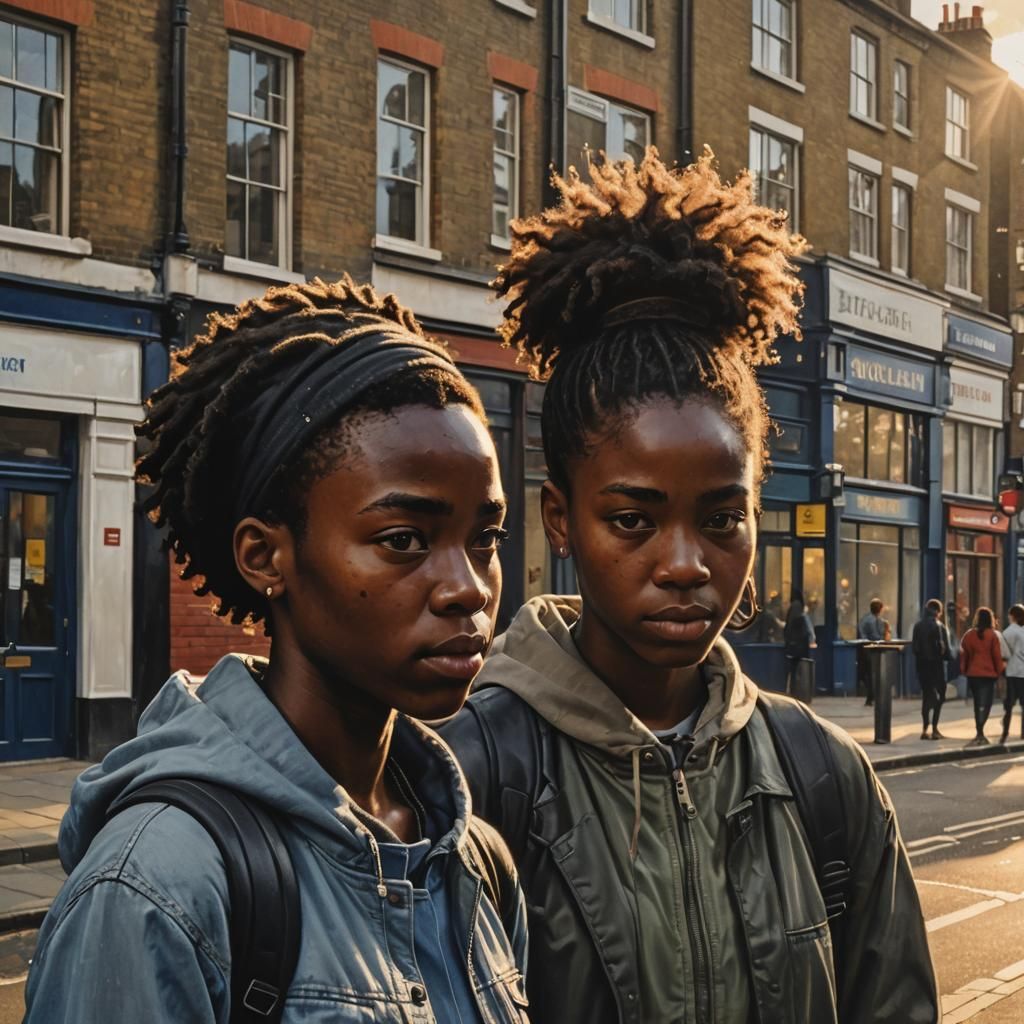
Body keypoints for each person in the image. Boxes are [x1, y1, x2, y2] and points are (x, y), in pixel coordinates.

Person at [440, 150, 937, 1023]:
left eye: (721, 519)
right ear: (560, 518)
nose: (684, 564)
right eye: (632, 520)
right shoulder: (466, 778)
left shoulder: (828, 780)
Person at [24, 278, 529, 1022]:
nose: (468, 588)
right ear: (267, 557)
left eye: (483, 539)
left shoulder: (475, 859)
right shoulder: (158, 886)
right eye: (403, 540)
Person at [960, 606, 1005, 747]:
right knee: (986, 704)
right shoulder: (993, 635)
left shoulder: (969, 635)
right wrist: (999, 672)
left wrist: (964, 670)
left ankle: (979, 732)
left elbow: (964, 655)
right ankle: (980, 732)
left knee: (977, 703)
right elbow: (997, 656)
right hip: (988, 674)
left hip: (973, 674)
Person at [912, 599, 948, 740]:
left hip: (922, 667)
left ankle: (924, 728)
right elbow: (944, 649)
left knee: (927, 696)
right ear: (938, 611)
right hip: (936, 667)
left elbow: (915, 648)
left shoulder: (917, 626)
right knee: (940, 696)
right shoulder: (939, 626)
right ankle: (935, 728)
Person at [782, 588, 816, 694]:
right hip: (799, 644)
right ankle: (799, 691)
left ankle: (793, 690)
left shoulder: (793, 607)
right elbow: (802, 625)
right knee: (799, 669)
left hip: (793, 644)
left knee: (793, 669)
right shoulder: (799, 607)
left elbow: (790, 626)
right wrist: (810, 638)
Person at [857, 597, 888, 706]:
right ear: (880, 609)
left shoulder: (865, 619)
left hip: (863, 649)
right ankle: (873, 696)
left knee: (866, 674)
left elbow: (861, 633)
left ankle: (870, 697)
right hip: (873, 649)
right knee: (873, 674)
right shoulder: (876, 620)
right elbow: (877, 636)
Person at [1000, 604, 1024, 744]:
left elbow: (1003, 653)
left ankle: (1005, 733)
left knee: (1009, 705)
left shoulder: (1009, 632)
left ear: (1012, 616)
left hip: (1012, 671)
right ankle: (1023, 733)